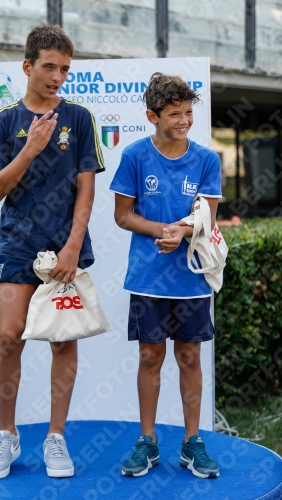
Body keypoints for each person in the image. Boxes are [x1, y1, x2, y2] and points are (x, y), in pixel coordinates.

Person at [0, 24, 104, 479]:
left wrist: (73, 246)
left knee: (61, 340)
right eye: (49, 67)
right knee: (9, 337)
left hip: (64, 248)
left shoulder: (80, 118)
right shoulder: (5, 121)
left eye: (65, 69)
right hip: (16, 245)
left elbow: (86, 190)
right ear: (27, 66)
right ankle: (7, 435)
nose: (57, 77)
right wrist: (30, 149)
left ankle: (56, 437)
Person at [110, 72, 221, 479]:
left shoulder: (208, 159)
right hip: (147, 278)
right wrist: (163, 231)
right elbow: (122, 216)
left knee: (190, 357)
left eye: (189, 112)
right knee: (149, 356)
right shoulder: (136, 156)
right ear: (152, 115)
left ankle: (193, 443)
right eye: (175, 113)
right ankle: (148, 442)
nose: (184, 121)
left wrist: (184, 231)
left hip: (192, 279)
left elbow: (208, 217)